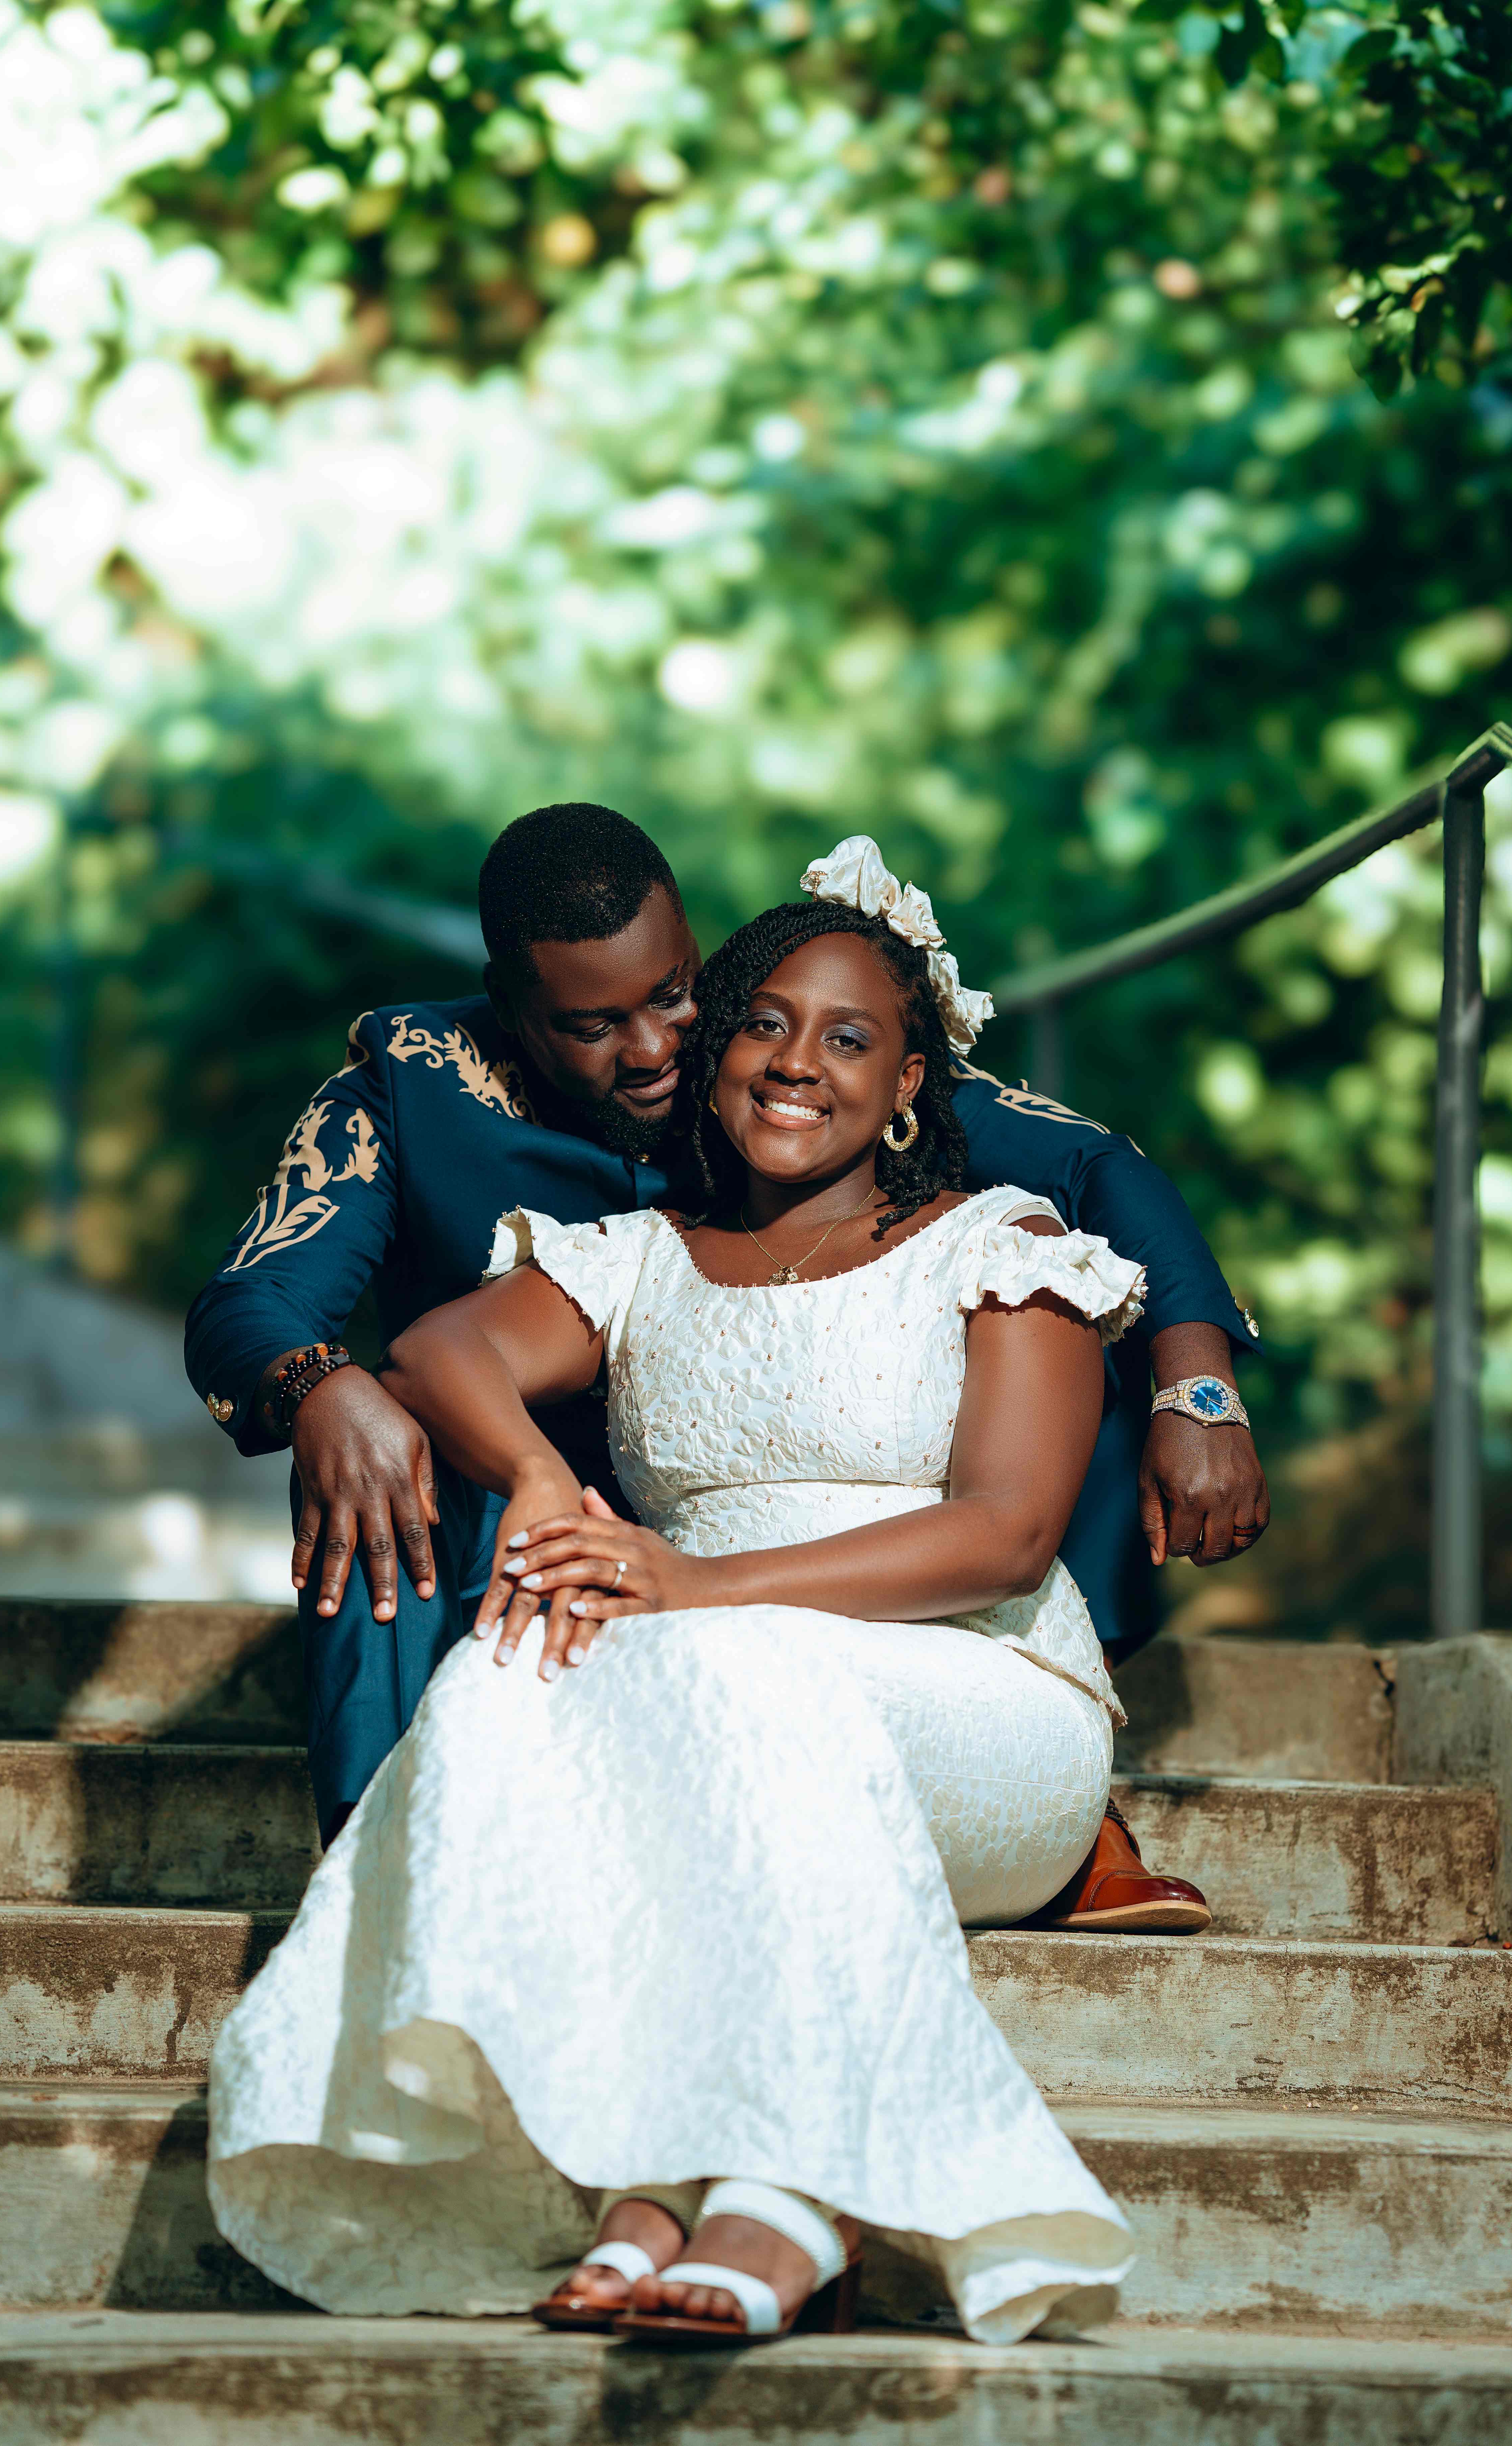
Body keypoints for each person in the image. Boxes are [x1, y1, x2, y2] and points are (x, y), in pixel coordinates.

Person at [205, 846, 1163, 2344]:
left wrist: (697, 1583)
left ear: (911, 1080)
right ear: (718, 1055)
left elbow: (1003, 1535)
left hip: (979, 1696)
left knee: (734, 1670)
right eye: (765, 1024)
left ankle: (791, 2193)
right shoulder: (641, 1259)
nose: (796, 1063)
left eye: (848, 1037)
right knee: (515, 1665)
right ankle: (649, 2185)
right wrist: (531, 1478)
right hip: (715, 1676)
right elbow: (442, 1353)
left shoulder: (1005, 1247)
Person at [184, 803, 1267, 1846]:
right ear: (511, 1008)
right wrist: (330, 1390)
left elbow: (1092, 1164)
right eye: (596, 1024)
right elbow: (253, 1298)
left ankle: (1040, 1777)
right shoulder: (410, 1081)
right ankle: (375, 1860)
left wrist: (1198, 1383)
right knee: (376, 1445)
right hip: (520, 1502)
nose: (657, 1048)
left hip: (836, 1556)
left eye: (673, 992)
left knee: (1057, 1316)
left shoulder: (768, 1040)